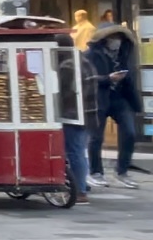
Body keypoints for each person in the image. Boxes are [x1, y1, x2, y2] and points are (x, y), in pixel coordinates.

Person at [86, 24, 142, 189]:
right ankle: (95, 172)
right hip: (98, 99)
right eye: (113, 38)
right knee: (96, 137)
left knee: (130, 132)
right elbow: (87, 79)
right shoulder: (90, 55)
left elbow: (130, 78)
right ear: (104, 39)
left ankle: (122, 171)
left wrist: (135, 102)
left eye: (119, 38)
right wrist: (108, 78)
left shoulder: (124, 55)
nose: (116, 42)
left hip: (119, 99)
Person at [57, 34, 98, 204]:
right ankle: (81, 185)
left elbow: (63, 92)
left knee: (74, 152)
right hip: (89, 114)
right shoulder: (83, 60)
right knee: (80, 151)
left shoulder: (67, 65)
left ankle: (80, 190)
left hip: (73, 115)